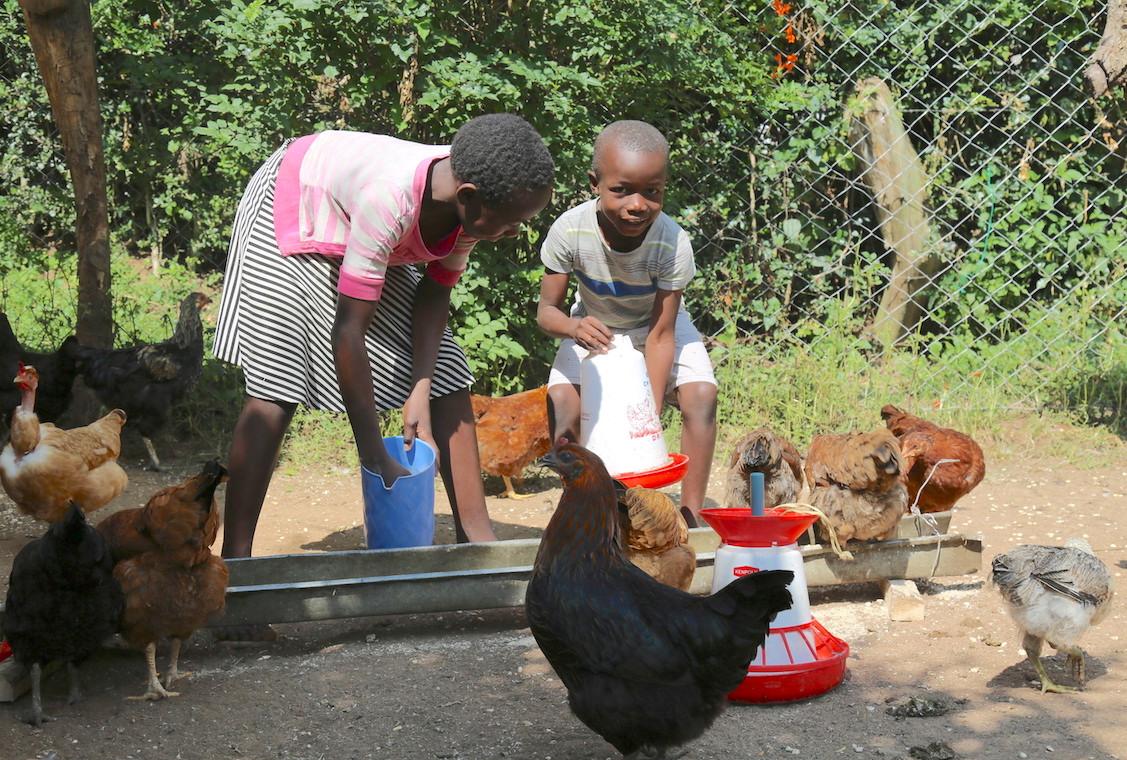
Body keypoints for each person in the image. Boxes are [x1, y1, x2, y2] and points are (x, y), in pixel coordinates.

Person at [212, 114, 555, 642]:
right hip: (298, 201)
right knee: (278, 383)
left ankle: (479, 545)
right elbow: (349, 331)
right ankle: (238, 580)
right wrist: (372, 449)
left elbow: (435, 294)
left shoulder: (473, 199)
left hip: (363, 216)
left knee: (447, 369)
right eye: (510, 221)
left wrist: (419, 389)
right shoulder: (390, 200)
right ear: (468, 197)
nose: (515, 231)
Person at [536, 119, 717, 528]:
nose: (637, 204)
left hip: (656, 327)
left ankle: (691, 515)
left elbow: (662, 334)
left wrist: (646, 411)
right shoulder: (569, 230)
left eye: (652, 192)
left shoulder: (672, 242)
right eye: (621, 190)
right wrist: (572, 328)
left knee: (701, 395)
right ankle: (585, 506)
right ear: (595, 183)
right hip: (593, 327)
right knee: (563, 401)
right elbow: (547, 313)